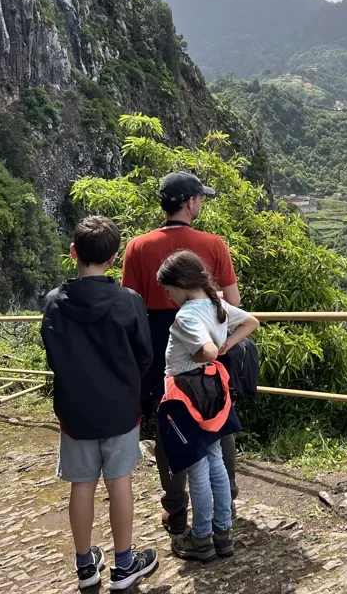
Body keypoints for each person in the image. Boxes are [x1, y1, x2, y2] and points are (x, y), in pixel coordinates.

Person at [40, 215, 159, 590]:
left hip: (75, 410)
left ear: (73, 252)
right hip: (121, 409)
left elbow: (53, 355)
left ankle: (85, 565)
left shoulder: (55, 303)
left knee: (81, 484)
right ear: (114, 258)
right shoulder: (128, 301)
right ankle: (124, 566)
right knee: (119, 482)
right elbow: (145, 355)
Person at [121, 171, 242, 535]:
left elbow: (131, 308)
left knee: (169, 426)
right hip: (206, 348)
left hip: (161, 350)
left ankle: (175, 510)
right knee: (217, 419)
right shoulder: (213, 244)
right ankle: (227, 502)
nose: (201, 203)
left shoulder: (137, 247)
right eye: (200, 198)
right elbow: (234, 304)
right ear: (189, 202)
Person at [155, 250, 260, 560]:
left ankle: (201, 538)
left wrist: (210, 352)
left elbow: (209, 351)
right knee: (214, 460)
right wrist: (227, 343)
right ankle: (222, 532)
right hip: (212, 390)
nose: (169, 296)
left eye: (169, 289)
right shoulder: (217, 306)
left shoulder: (186, 315)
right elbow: (251, 321)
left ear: (182, 284)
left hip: (186, 396)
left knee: (197, 467)